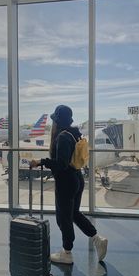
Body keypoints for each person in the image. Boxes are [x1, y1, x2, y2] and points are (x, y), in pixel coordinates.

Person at [30, 105, 108, 264]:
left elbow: (61, 164)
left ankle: (67, 253)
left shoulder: (62, 137)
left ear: (57, 121)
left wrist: (40, 162)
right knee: (74, 214)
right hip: (77, 178)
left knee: (63, 218)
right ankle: (97, 239)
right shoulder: (75, 133)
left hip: (66, 182)